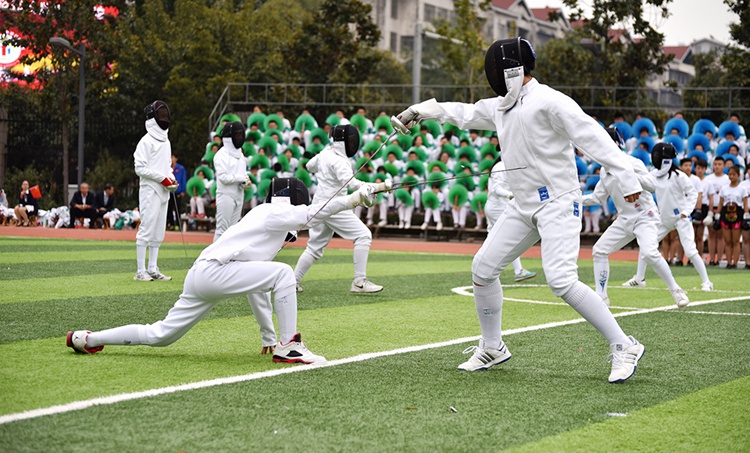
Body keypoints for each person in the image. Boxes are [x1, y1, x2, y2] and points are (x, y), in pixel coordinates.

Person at [397, 37, 645, 383]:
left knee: (561, 280)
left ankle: (624, 345)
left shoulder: (550, 101)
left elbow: (593, 137)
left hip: (558, 201)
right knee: (483, 268)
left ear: (510, 69)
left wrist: (627, 178)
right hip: (523, 205)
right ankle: (493, 347)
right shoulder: (501, 106)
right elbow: (465, 113)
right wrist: (421, 110)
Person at [66, 178, 379, 362]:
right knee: (284, 272)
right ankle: (291, 346)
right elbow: (313, 213)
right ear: (292, 200)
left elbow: (256, 286)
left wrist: (267, 335)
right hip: (215, 272)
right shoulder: (274, 212)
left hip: (201, 275)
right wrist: (353, 198)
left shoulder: (263, 218)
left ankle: (87, 339)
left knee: (160, 335)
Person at [584, 130, 688, 308]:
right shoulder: (604, 170)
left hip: (645, 216)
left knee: (649, 253)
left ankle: (676, 291)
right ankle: (601, 298)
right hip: (624, 220)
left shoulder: (632, 163)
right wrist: (575, 199)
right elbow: (597, 198)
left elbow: (653, 185)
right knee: (599, 250)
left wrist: (628, 174)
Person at [293, 124, 388, 294]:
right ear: (344, 142)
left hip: (319, 204)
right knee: (363, 235)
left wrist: (325, 153)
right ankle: (359, 282)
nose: (352, 144)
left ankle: (292, 282)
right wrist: (378, 186)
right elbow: (351, 184)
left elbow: (309, 166)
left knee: (314, 248)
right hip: (334, 206)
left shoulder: (325, 153)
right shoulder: (339, 161)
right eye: (350, 141)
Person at [623, 143, 713, 291]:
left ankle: (707, 282)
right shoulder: (653, 175)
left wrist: (686, 211)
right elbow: (642, 184)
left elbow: (693, 193)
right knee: (646, 246)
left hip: (680, 218)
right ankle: (639, 278)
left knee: (690, 251)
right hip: (663, 219)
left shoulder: (678, 176)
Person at [134, 100, 177, 282]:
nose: (164, 118)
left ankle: (152, 268)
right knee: (147, 228)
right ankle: (140, 271)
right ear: (153, 118)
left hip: (164, 190)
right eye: (161, 115)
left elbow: (167, 166)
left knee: (159, 231)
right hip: (150, 190)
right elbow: (139, 168)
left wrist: (171, 178)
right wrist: (161, 178)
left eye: (165, 115)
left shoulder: (166, 142)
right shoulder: (145, 141)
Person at [485, 154, 536, 282]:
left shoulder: (507, 165)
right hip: (498, 208)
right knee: (508, 238)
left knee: (491, 238)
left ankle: (483, 266)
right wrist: (510, 195)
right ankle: (518, 271)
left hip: (496, 207)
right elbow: (496, 189)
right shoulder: (500, 166)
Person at [214, 121, 252, 241]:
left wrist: (246, 182)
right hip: (226, 195)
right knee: (222, 230)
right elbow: (223, 178)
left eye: (241, 135)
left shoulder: (241, 155)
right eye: (237, 135)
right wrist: (241, 178)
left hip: (239, 195)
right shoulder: (221, 155)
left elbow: (243, 174)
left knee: (233, 231)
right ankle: (213, 253)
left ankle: (229, 253)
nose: (240, 138)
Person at [717, 166, 748, 268]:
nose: (731, 176)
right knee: (727, 240)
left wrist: (746, 215)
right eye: (730, 174)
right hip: (725, 213)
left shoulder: (742, 189)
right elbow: (721, 203)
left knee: (735, 240)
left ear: (738, 175)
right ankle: (729, 262)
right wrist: (717, 214)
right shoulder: (724, 188)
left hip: (737, 214)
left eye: (734, 174)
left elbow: (745, 204)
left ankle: (735, 262)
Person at [166, 154, 187, 230]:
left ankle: (178, 225)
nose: (171, 159)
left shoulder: (181, 168)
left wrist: (183, 190)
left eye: (173, 157)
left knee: (177, 208)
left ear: (176, 159)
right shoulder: (167, 168)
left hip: (178, 191)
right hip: (169, 191)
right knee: (169, 208)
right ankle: (171, 224)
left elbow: (183, 179)